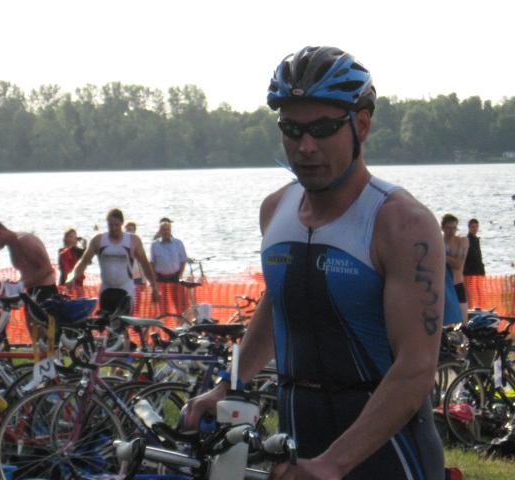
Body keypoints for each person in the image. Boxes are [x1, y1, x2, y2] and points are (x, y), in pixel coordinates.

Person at [184, 46, 456, 479]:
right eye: (291, 130)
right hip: (300, 440)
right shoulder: (275, 210)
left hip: (388, 454)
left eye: (323, 129)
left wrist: (334, 463)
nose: (305, 147)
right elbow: (278, 303)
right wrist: (229, 386)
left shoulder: (401, 223)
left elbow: (416, 369)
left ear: (361, 125)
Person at [67, 209, 159, 317]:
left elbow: (145, 264)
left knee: (122, 323)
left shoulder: (133, 240)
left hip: (126, 290)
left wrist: (154, 287)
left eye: (116, 225)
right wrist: (72, 277)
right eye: (110, 225)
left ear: (122, 223)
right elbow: (83, 262)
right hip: (106, 290)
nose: (114, 228)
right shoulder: (98, 240)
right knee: (106, 323)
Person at [0, 218, 57, 332]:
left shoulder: (25, 240)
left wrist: (20, 285)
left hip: (45, 293)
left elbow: (47, 269)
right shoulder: (12, 245)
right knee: (35, 337)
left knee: (47, 335)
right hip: (31, 293)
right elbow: (28, 271)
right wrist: (12, 285)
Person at [151, 219, 188, 315]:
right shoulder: (154, 245)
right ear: (160, 231)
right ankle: (163, 322)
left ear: (170, 230)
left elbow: (183, 260)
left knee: (179, 303)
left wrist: (180, 275)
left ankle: (181, 321)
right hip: (160, 278)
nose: (166, 232)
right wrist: (154, 277)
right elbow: (151, 262)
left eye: (168, 229)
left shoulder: (178, 243)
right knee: (162, 305)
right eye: (163, 230)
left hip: (175, 277)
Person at [442, 214, 469, 324]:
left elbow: (458, 264)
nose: (451, 231)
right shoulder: (439, 242)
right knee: (444, 322)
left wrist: (441, 256)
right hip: (444, 286)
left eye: (454, 228)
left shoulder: (461, 241)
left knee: (464, 322)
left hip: (457, 284)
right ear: (442, 228)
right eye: (448, 228)